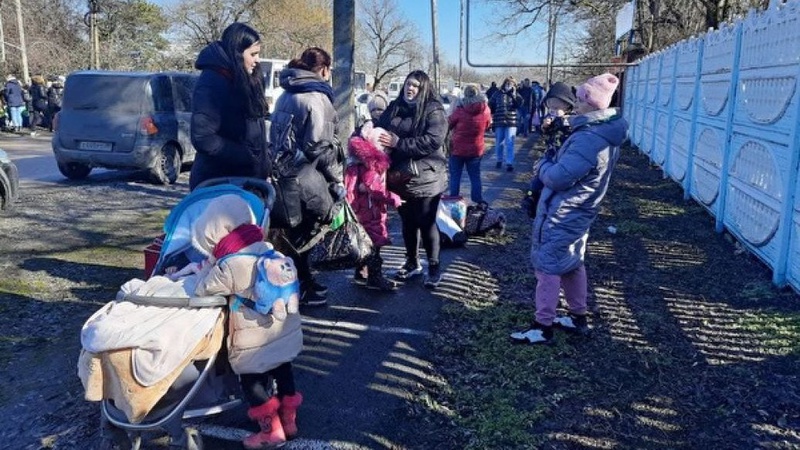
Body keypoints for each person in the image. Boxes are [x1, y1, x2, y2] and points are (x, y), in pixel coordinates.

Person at [511, 73, 628, 345]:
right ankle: (578, 317)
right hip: (580, 210)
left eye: (580, 98)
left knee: (548, 266)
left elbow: (559, 177)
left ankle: (542, 325)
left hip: (566, 211)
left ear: (592, 103)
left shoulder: (590, 138)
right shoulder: (601, 132)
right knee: (573, 263)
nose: (575, 102)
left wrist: (542, 167)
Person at [187, 195, 303, 449]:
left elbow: (202, 290)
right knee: (283, 371)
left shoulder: (230, 265)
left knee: (252, 382)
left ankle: (271, 432)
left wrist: (207, 269)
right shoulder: (270, 249)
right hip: (284, 334)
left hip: (254, 342)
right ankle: (289, 422)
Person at [269, 46, 343, 307]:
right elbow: (319, 146)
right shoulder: (316, 98)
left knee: (287, 231)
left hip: (279, 172)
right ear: (324, 69)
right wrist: (337, 179)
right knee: (309, 228)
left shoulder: (285, 95)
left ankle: (295, 282)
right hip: (305, 175)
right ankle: (303, 284)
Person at [377, 70, 449, 289]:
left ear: (424, 88)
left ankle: (434, 267)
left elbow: (432, 141)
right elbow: (381, 128)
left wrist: (399, 143)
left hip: (427, 175)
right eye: (408, 84)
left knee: (426, 222)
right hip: (399, 176)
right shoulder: (395, 107)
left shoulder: (433, 110)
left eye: (416, 86)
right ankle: (412, 262)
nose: (410, 88)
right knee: (407, 221)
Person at [189, 22, 270, 191]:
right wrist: (246, 156)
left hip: (248, 181)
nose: (257, 60)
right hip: (219, 182)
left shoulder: (248, 78)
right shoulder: (212, 83)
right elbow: (203, 137)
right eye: (253, 54)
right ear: (237, 53)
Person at [345, 122, 402, 291]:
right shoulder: (372, 164)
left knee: (363, 241)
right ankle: (375, 278)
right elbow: (375, 188)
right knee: (374, 245)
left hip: (360, 209)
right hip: (371, 210)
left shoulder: (357, 159)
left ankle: (361, 271)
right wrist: (394, 199)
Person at [447, 84, 492, 203]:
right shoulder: (485, 109)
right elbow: (488, 125)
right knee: (475, 176)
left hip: (457, 149)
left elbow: (449, 123)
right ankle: (477, 200)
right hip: (476, 149)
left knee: (455, 176)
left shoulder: (460, 109)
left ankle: (453, 199)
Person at [488, 76, 522, 172]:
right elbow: (490, 104)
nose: (509, 85)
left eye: (512, 84)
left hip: (511, 120)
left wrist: (514, 94)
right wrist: (493, 114)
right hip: (499, 120)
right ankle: (499, 159)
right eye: (508, 83)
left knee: (510, 142)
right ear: (504, 83)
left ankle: (509, 162)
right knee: (499, 142)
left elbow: (519, 104)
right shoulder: (498, 93)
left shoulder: (516, 94)